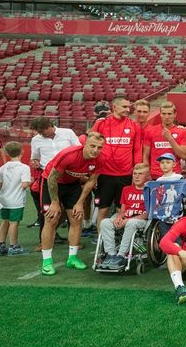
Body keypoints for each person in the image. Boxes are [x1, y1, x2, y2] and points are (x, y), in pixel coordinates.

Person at [39, 133, 106, 276]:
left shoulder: (100, 159)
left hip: (72, 185)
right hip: (52, 183)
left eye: (99, 147)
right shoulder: (68, 155)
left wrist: (80, 202)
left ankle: (72, 258)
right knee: (52, 219)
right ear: (85, 144)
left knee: (76, 218)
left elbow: (91, 181)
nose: (96, 150)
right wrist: (55, 202)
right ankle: (47, 261)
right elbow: (52, 178)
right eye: (92, 146)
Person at [91, 95, 143, 238]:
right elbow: (91, 147)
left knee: (122, 210)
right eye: (124, 107)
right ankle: (102, 241)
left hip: (125, 175)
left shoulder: (134, 126)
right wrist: (93, 172)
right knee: (103, 210)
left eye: (129, 107)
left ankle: (119, 238)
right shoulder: (101, 124)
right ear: (114, 107)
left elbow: (137, 151)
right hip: (105, 174)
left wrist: (136, 173)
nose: (128, 109)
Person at [29, 117, 81, 241]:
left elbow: (79, 150)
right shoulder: (36, 140)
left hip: (70, 177)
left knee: (73, 213)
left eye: (42, 131)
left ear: (50, 126)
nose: (41, 134)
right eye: (39, 132)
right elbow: (34, 157)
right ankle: (43, 242)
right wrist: (35, 162)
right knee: (48, 212)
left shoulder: (68, 133)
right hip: (48, 178)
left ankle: (74, 243)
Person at [98, 163, 150, 270]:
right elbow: (122, 211)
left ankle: (121, 255)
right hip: (126, 218)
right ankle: (111, 254)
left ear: (147, 176)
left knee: (131, 223)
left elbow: (148, 214)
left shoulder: (150, 191)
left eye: (140, 174)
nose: (136, 176)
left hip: (141, 220)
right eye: (135, 174)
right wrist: (119, 218)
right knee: (105, 222)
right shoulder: (126, 189)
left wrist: (128, 220)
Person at [0, 141, 31, 256]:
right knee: (14, 223)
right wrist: (31, 181)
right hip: (16, 200)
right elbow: (24, 185)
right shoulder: (24, 168)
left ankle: (1, 246)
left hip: (3, 199)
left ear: (7, 153)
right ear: (22, 151)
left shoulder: (3, 167)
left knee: (5, 221)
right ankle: (13, 246)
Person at [143, 101, 186, 180]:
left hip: (174, 175)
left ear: (175, 115)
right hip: (155, 175)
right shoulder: (150, 131)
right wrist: (147, 173)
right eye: (164, 114)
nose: (167, 117)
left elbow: (184, 156)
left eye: (169, 114)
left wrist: (170, 139)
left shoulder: (182, 132)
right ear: (160, 114)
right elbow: (145, 156)